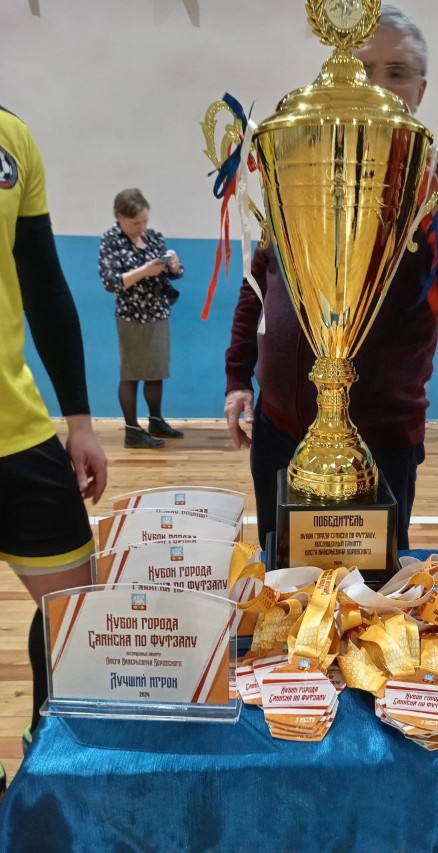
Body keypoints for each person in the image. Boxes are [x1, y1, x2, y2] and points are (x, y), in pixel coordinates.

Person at [224, 4, 438, 549]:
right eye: (363, 68)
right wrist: (238, 379)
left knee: (372, 590)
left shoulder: (434, 187)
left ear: (421, 90)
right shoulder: (297, 167)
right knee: (280, 577)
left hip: (380, 444)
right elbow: (259, 286)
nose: (378, 82)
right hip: (278, 430)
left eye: (397, 71)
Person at [0, 104, 108, 793]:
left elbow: (41, 280)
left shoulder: (11, 137)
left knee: (76, 615)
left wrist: (80, 421)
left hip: (19, 429)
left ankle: (51, 770)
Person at [99, 188, 184, 449]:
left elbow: (172, 274)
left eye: (145, 220)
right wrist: (145, 271)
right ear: (120, 217)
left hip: (158, 312)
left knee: (156, 371)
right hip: (131, 316)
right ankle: (132, 431)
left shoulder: (154, 237)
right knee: (132, 374)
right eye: (136, 223)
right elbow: (111, 282)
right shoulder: (111, 240)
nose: (142, 227)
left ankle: (156, 421)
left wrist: (174, 266)